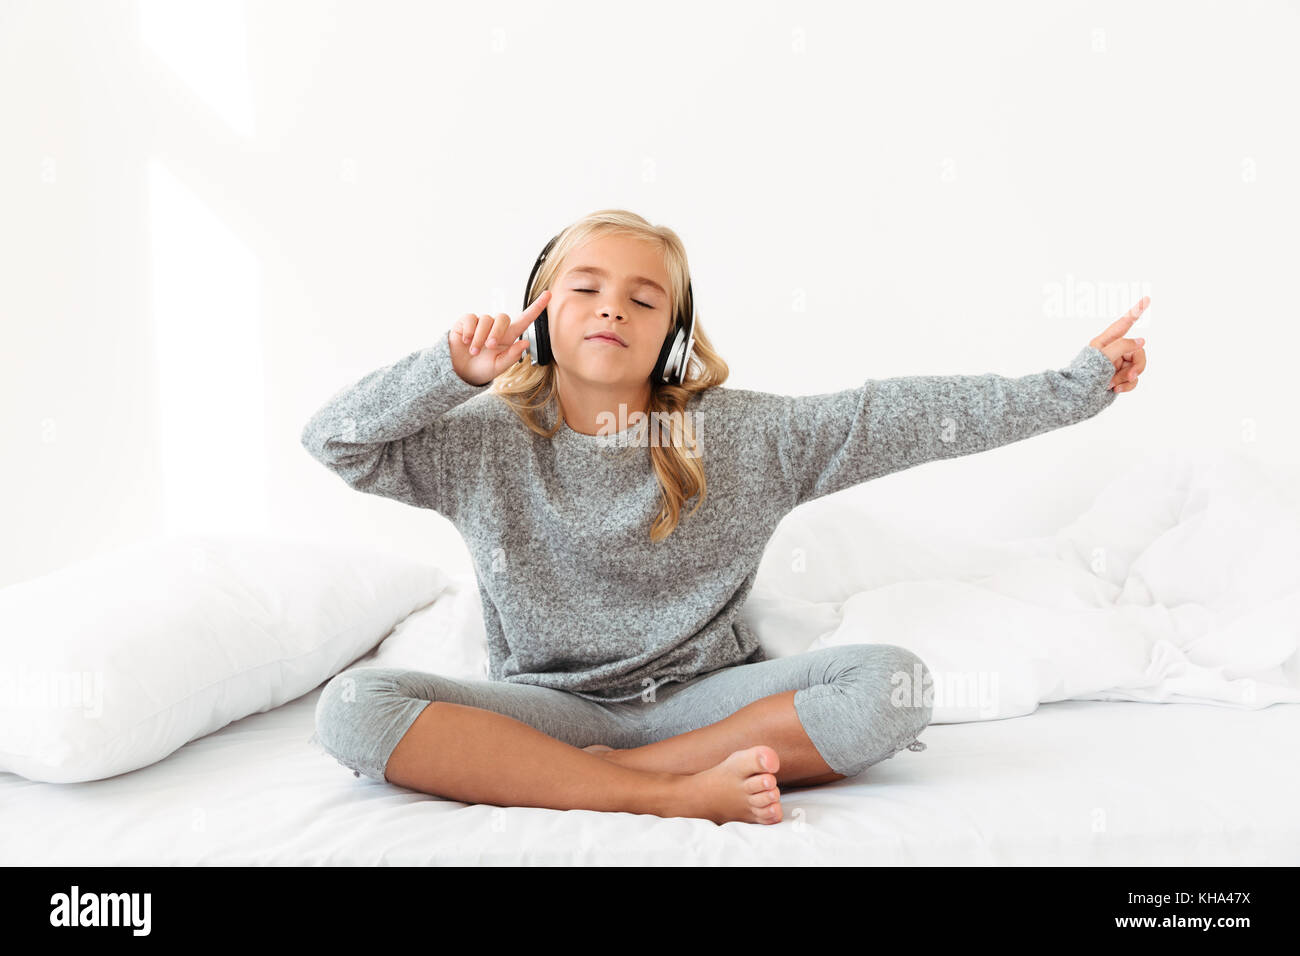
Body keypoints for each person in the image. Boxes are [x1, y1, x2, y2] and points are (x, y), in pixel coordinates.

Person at [301, 209, 1149, 825]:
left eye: (642, 300)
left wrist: (1074, 388)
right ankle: (658, 793)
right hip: (550, 708)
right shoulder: (481, 441)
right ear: (543, 311)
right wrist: (446, 369)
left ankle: (617, 774)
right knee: (351, 707)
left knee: (893, 684)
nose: (611, 309)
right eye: (586, 288)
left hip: (706, 705)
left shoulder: (738, 434)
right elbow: (334, 441)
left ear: (671, 331)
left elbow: (902, 413)